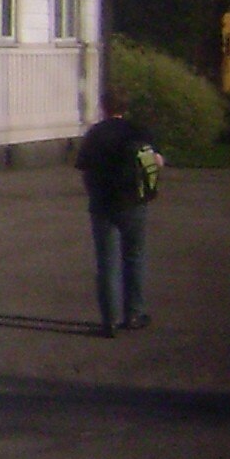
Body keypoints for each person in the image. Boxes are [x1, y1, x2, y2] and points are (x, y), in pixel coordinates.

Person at [75, 88, 160, 338]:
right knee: (134, 256)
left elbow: (83, 167)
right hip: (134, 202)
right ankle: (134, 313)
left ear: (103, 107)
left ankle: (109, 321)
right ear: (126, 107)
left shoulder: (95, 134)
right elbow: (156, 161)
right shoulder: (137, 132)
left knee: (107, 263)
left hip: (102, 204)